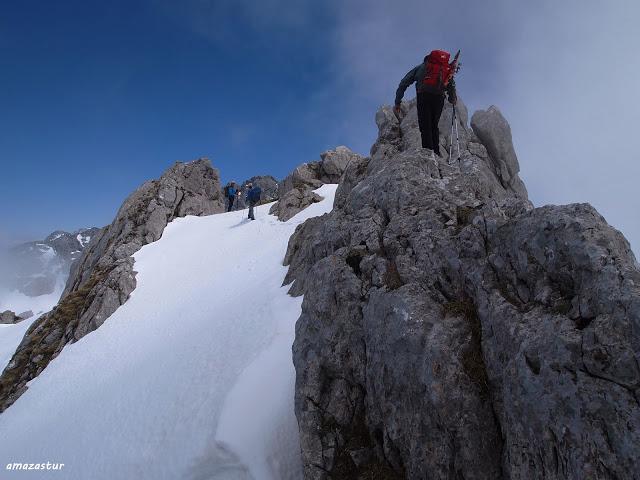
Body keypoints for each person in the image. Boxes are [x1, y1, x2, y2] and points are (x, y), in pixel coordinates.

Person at [394, 49, 458, 160]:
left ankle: (428, 154)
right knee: (434, 125)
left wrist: (398, 102)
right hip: (439, 98)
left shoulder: (421, 67)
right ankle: (436, 153)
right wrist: (452, 98)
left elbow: (403, 83)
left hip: (424, 96)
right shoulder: (444, 69)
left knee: (425, 125)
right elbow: (450, 84)